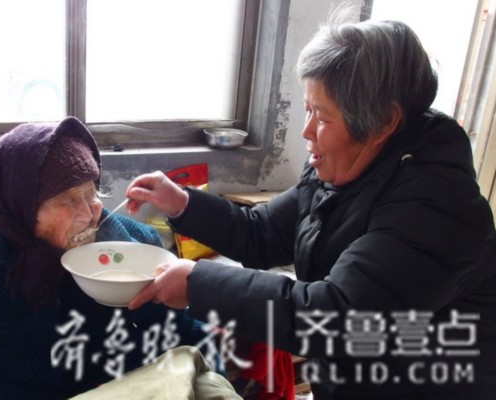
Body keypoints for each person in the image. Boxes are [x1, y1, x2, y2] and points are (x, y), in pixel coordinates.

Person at [125, 18, 496, 399]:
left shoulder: (438, 208)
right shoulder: (344, 168)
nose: (306, 131)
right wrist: (182, 203)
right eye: (307, 109)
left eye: (323, 116)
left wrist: (198, 284)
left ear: (384, 122)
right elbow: (262, 232)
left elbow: (337, 317)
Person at [0, 117, 218, 399]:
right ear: (21, 205)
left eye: (92, 192)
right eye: (67, 200)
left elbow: (183, 337)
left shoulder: (133, 247)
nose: (89, 214)